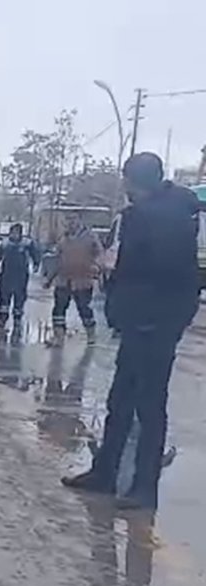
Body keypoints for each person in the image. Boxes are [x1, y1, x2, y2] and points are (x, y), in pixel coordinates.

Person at [62, 152, 200, 510]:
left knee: (148, 405)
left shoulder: (153, 216)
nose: (124, 187)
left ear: (135, 181)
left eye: (126, 180)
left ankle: (143, 488)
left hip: (151, 322)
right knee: (121, 399)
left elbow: (151, 270)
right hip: (148, 319)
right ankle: (105, 473)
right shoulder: (176, 211)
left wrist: (117, 277)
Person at [47, 215, 103, 340]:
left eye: (73, 219)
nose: (71, 223)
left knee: (84, 308)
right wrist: (50, 278)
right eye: (68, 220)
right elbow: (57, 260)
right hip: (63, 280)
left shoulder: (90, 237)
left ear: (80, 221)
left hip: (83, 280)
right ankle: (59, 335)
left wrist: (97, 267)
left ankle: (91, 335)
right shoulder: (63, 239)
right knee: (59, 308)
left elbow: (100, 254)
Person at [0, 223, 41, 338]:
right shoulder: (5, 244)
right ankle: (2, 318)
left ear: (20, 233)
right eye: (12, 232)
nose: (14, 235)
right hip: (6, 276)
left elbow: (36, 254)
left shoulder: (26, 244)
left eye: (16, 232)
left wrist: (36, 264)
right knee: (4, 300)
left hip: (20, 277)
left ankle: (17, 319)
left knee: (19, 299)